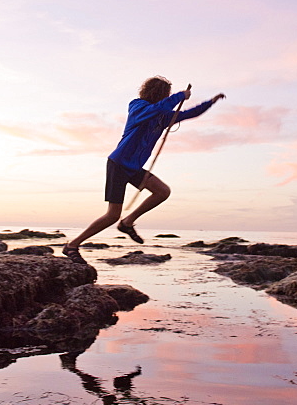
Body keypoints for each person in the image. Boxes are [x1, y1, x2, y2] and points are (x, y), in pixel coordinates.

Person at [62, 76, 225, 264]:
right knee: (112, 214)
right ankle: (72, 245)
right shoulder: (137, 106)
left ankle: (127, 222)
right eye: (166, 94)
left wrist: (210, 102)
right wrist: (180, 95)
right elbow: (155, 109)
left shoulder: (163, 117)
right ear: (159, 93)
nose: (168, 96)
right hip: (119, 163)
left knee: (162, 191)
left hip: (135, 167)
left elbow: (190, 113)